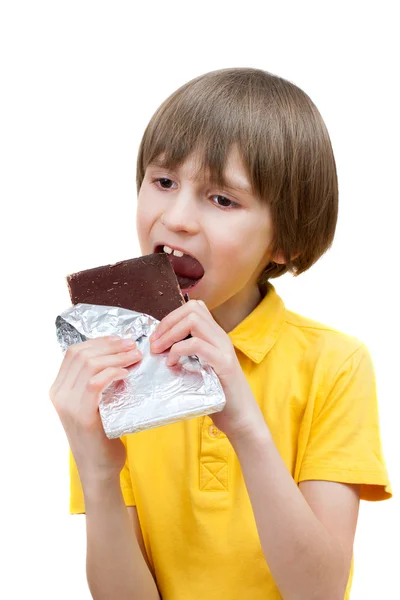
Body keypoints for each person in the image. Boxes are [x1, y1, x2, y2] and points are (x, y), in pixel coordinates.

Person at [50, 68, 391, 600]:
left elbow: (319, 592)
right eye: (163, 182)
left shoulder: (335, 364)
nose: (177, 218)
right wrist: (96, 467)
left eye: (222, 199)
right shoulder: (114, 371)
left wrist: (244, 423)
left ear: (286, 241)